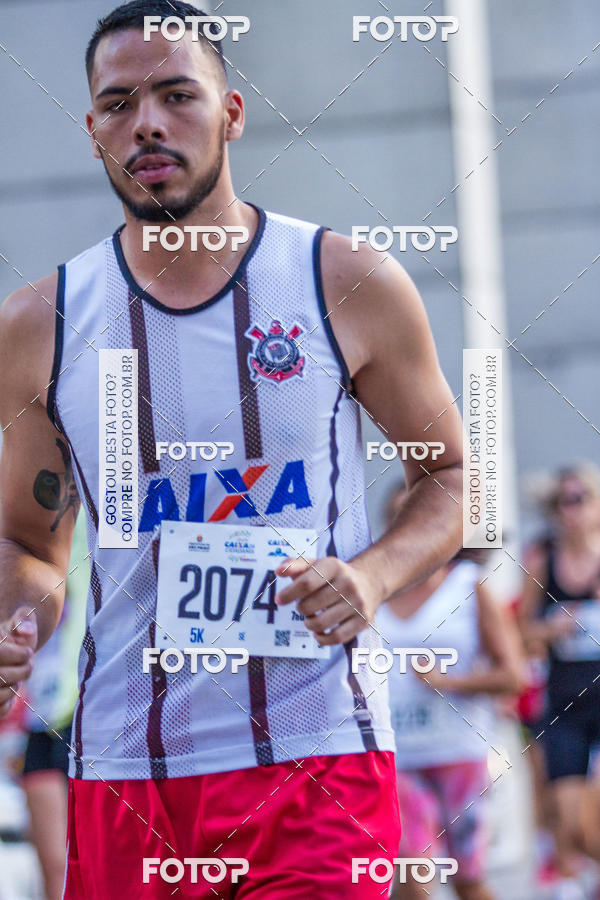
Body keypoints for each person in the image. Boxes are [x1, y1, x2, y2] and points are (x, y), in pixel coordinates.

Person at [0, 2, 464, 897]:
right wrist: (14, 622)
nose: (148, 124)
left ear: (232, 113)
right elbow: (27, 546)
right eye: (118, 103)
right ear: (93, 130)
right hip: (128, 770)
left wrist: (369, 576)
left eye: (178, 95)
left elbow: (448, 476)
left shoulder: (349, 280)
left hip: (316, 755)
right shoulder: (36, 327)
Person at [379, 488, 524, 900]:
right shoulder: (370, 593)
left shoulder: (468, 586)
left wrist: (449, 682)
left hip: (460, 753)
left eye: (411, 516)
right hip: (398, 758)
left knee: (468, 881)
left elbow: (513, 675)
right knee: (414, 873)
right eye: (395, 517)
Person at [519, 464, 600, 898]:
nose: (570, 510)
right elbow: (522, 629)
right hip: (565, 701)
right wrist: (552, 629)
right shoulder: (542, 558)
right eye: (561, 501)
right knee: (569, 821)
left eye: (579, 498)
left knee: (596, 820)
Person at [20, 512, 88, 900]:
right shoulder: (22, 549)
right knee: (54, 866)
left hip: (94, 717)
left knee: (98, 863)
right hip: (42, 721)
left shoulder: (97, 546)